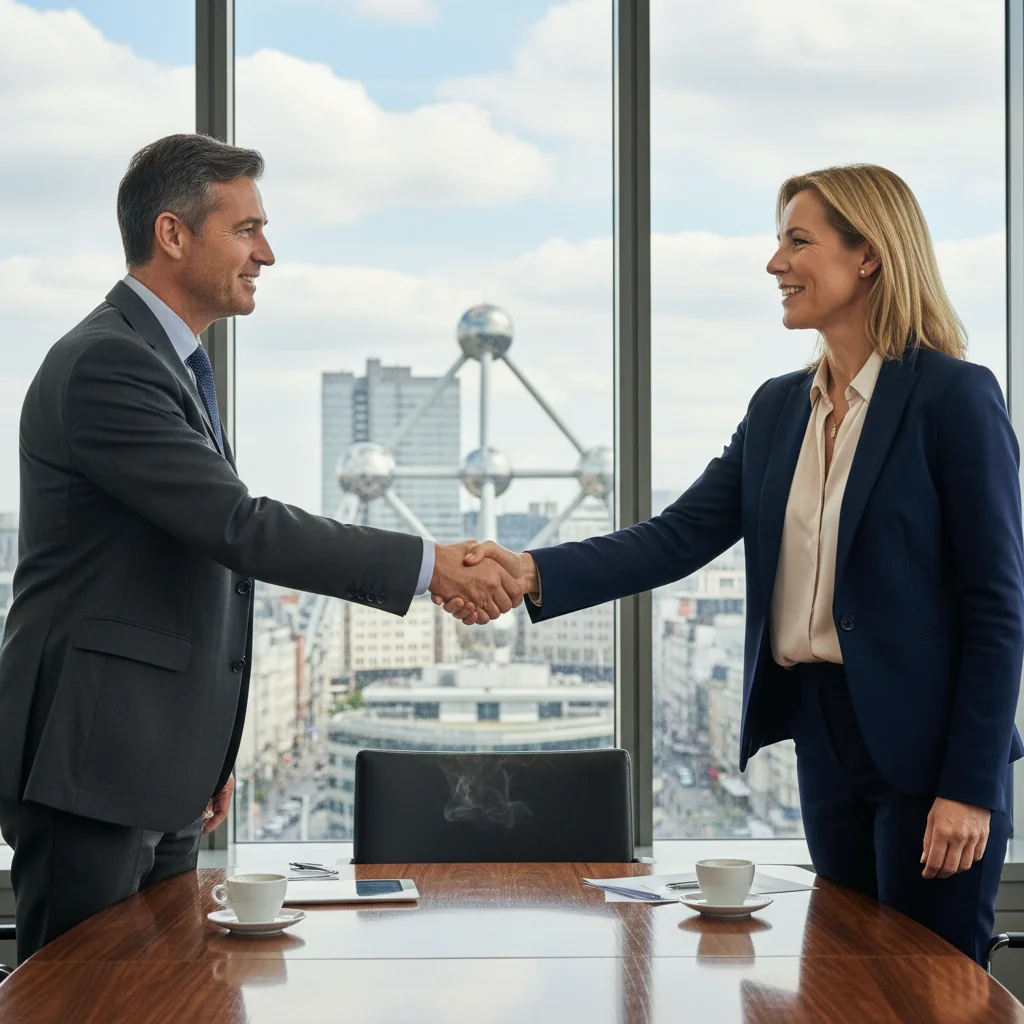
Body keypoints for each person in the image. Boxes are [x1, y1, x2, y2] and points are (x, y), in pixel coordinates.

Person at [439, 164, 1024, 965]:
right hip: (824, 735)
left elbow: (997, 609)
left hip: (931, 752)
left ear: (869, 257)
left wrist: (970, 786)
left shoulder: (954, 398)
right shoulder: (778, 407)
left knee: (929, 990)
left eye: (798, 240)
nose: (775, 262)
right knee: (845, 980)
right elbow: (677, 536)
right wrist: (530, 570)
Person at [0, 133, 520, 963]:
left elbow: (190, 570)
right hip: (94, 761)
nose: (266, 253)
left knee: (162, 996)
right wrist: (428, 566)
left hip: (152, 762)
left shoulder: (165, 363)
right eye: (247, 230)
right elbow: (237, 528)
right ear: (173, 235)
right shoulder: (109, 364)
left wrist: (204, 749)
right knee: (83, 998)